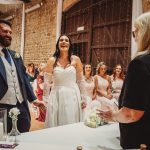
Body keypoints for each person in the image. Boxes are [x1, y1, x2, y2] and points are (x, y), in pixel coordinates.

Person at [97, 12, 150, 149]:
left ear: (144, 32)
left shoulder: (139, 63)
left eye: (135, 32)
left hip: (140, 138)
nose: (135, 38)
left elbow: (131, 114)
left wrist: (113, 115)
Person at [0, 19, 44, 133]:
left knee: (24, 135)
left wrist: (34, 99)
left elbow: (24, 79)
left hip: (21, 106)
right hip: (2, 107)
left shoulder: (15, 56)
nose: (8, 35)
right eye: (5, 31)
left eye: (10, 32)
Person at [43, 35, 84, 128]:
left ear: (70, 44)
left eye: (66, 40)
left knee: (72, 120)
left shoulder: (76, 59)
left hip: (73, 94)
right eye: (61, 40)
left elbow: (81, 80)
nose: (64, 42)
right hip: (57, 94)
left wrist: (84, 97)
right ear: (57, 44)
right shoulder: (51, 60)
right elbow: (46, 82)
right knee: (57, 122)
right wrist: (45, 99)